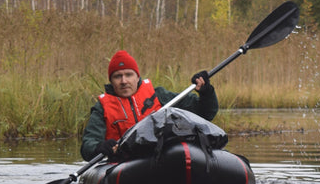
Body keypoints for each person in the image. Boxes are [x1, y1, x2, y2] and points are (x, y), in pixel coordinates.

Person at [80, 50, 218, 161]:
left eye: (128, 75)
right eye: (118, 76)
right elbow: (88, 145)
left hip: (161, 158)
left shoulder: (159, 96)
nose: (124, 81)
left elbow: (205, 113)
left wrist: (206, 92)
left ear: (137, 77)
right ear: (111, 81)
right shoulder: (102, 107)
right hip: (123, 164)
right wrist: (99, 147)